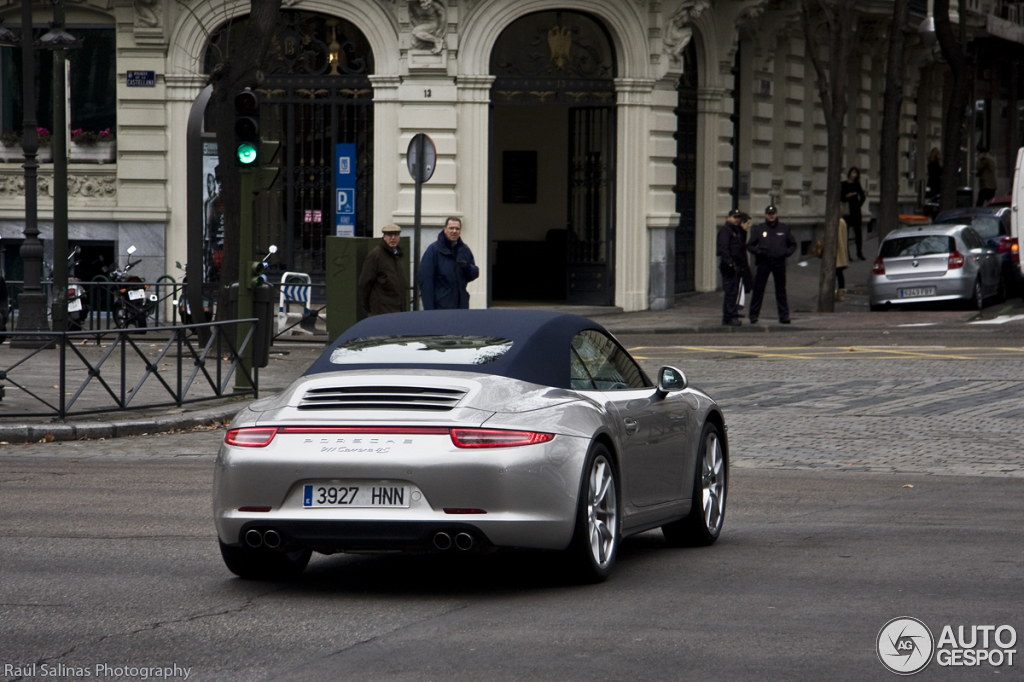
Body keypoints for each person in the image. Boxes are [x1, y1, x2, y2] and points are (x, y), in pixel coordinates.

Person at [746, 204, 796, 324]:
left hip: (779, 262)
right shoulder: (759, 229)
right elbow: (750, 245)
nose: (771, 216)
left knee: (781, 290)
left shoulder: (784, 229)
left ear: (776, 214)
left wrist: (786, 253)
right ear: (765, 215)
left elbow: (793, 244)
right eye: (769, 214)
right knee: (758, 289)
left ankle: (784, 316)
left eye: (773, 214)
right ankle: (753, 315)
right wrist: (759, 252)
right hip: (764, 261)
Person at [418, 217, 479, 309]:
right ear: (445, 229)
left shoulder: (464, 250)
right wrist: (429, 310)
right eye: (451, 228)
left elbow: (474, 274)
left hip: (461, 304)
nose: (454, 231)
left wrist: (467, 267)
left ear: (460, 231)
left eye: (457, 228)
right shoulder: (434, 250)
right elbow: (425, 281)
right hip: (441, 305)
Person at [358, 224, 409, 316]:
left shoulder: (397, 255)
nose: (393, 238)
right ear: (384, 237)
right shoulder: (375, 255)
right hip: (382, 311)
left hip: (398, 309)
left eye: (396, 235)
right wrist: (368, 305)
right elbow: (365, 283)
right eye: (390, 235)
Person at [716, 208, 751, 326]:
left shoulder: (737, 231)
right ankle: (731, 316)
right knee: (731, 292)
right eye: (734, 217)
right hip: (729, 267)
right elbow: (724, 248)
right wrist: (730, 263)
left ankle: (728, 316)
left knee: (734, 292)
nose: (736, 219)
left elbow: (741, 248)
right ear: (728, 218)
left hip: (738, 265)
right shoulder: (726, 231)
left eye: (738, 217)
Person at [840, 167, 866, 260]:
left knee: (858, 233)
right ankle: (847, 254)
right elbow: (840, 197)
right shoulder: (843, 184)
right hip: (847, 211)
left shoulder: (857, 184)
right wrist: (847, 196)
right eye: (853, 172)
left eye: (856, 173)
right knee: (845, 233)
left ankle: (859, 253)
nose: (854, 175)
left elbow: (862, 196)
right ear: (849, 173)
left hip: (855, 211)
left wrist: (858, 205)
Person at [835, 217, 849, 302]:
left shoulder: (838, 222)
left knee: (837, 273)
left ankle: (839, 293)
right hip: (841, 251)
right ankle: (840, 293)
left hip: (837, 252)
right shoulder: (842, 221)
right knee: (839, 273)